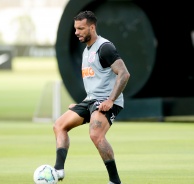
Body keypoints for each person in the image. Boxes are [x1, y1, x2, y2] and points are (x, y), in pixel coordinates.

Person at [53, 10, 130, 184]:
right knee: (59, 125)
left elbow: (124, 74)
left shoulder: (105, 48)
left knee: (96, 134)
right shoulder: (86, 51)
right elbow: (96, 84)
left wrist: (110, 100)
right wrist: (83, 104)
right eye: (75, 29)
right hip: (91, 101)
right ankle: (58, 171)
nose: (76, 32)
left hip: (108, 102)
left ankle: (115, 181)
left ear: (92, 27)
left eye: (81, 28)